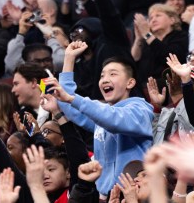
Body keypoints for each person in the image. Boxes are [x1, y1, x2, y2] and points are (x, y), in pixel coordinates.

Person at [50, 53, 153, 199]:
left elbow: (113, 118)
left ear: (130, 83)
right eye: (102, 75)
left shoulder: (140, 110)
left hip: (135, 195)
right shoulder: (102, 114)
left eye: (113, 74)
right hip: (105, 196)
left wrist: (72, 98)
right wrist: (69, 59)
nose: (105, 79)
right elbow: (70, 105)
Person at [132, 3, 188, 87]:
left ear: (172, 20)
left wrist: (147, 34)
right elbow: (133, 60)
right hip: (144, 87)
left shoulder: (180, 36)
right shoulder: (148, 41)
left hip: (169, 87)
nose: (153, 20)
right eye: (150, 18)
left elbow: (170, 56)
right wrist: (139, 38)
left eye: (158, 15)